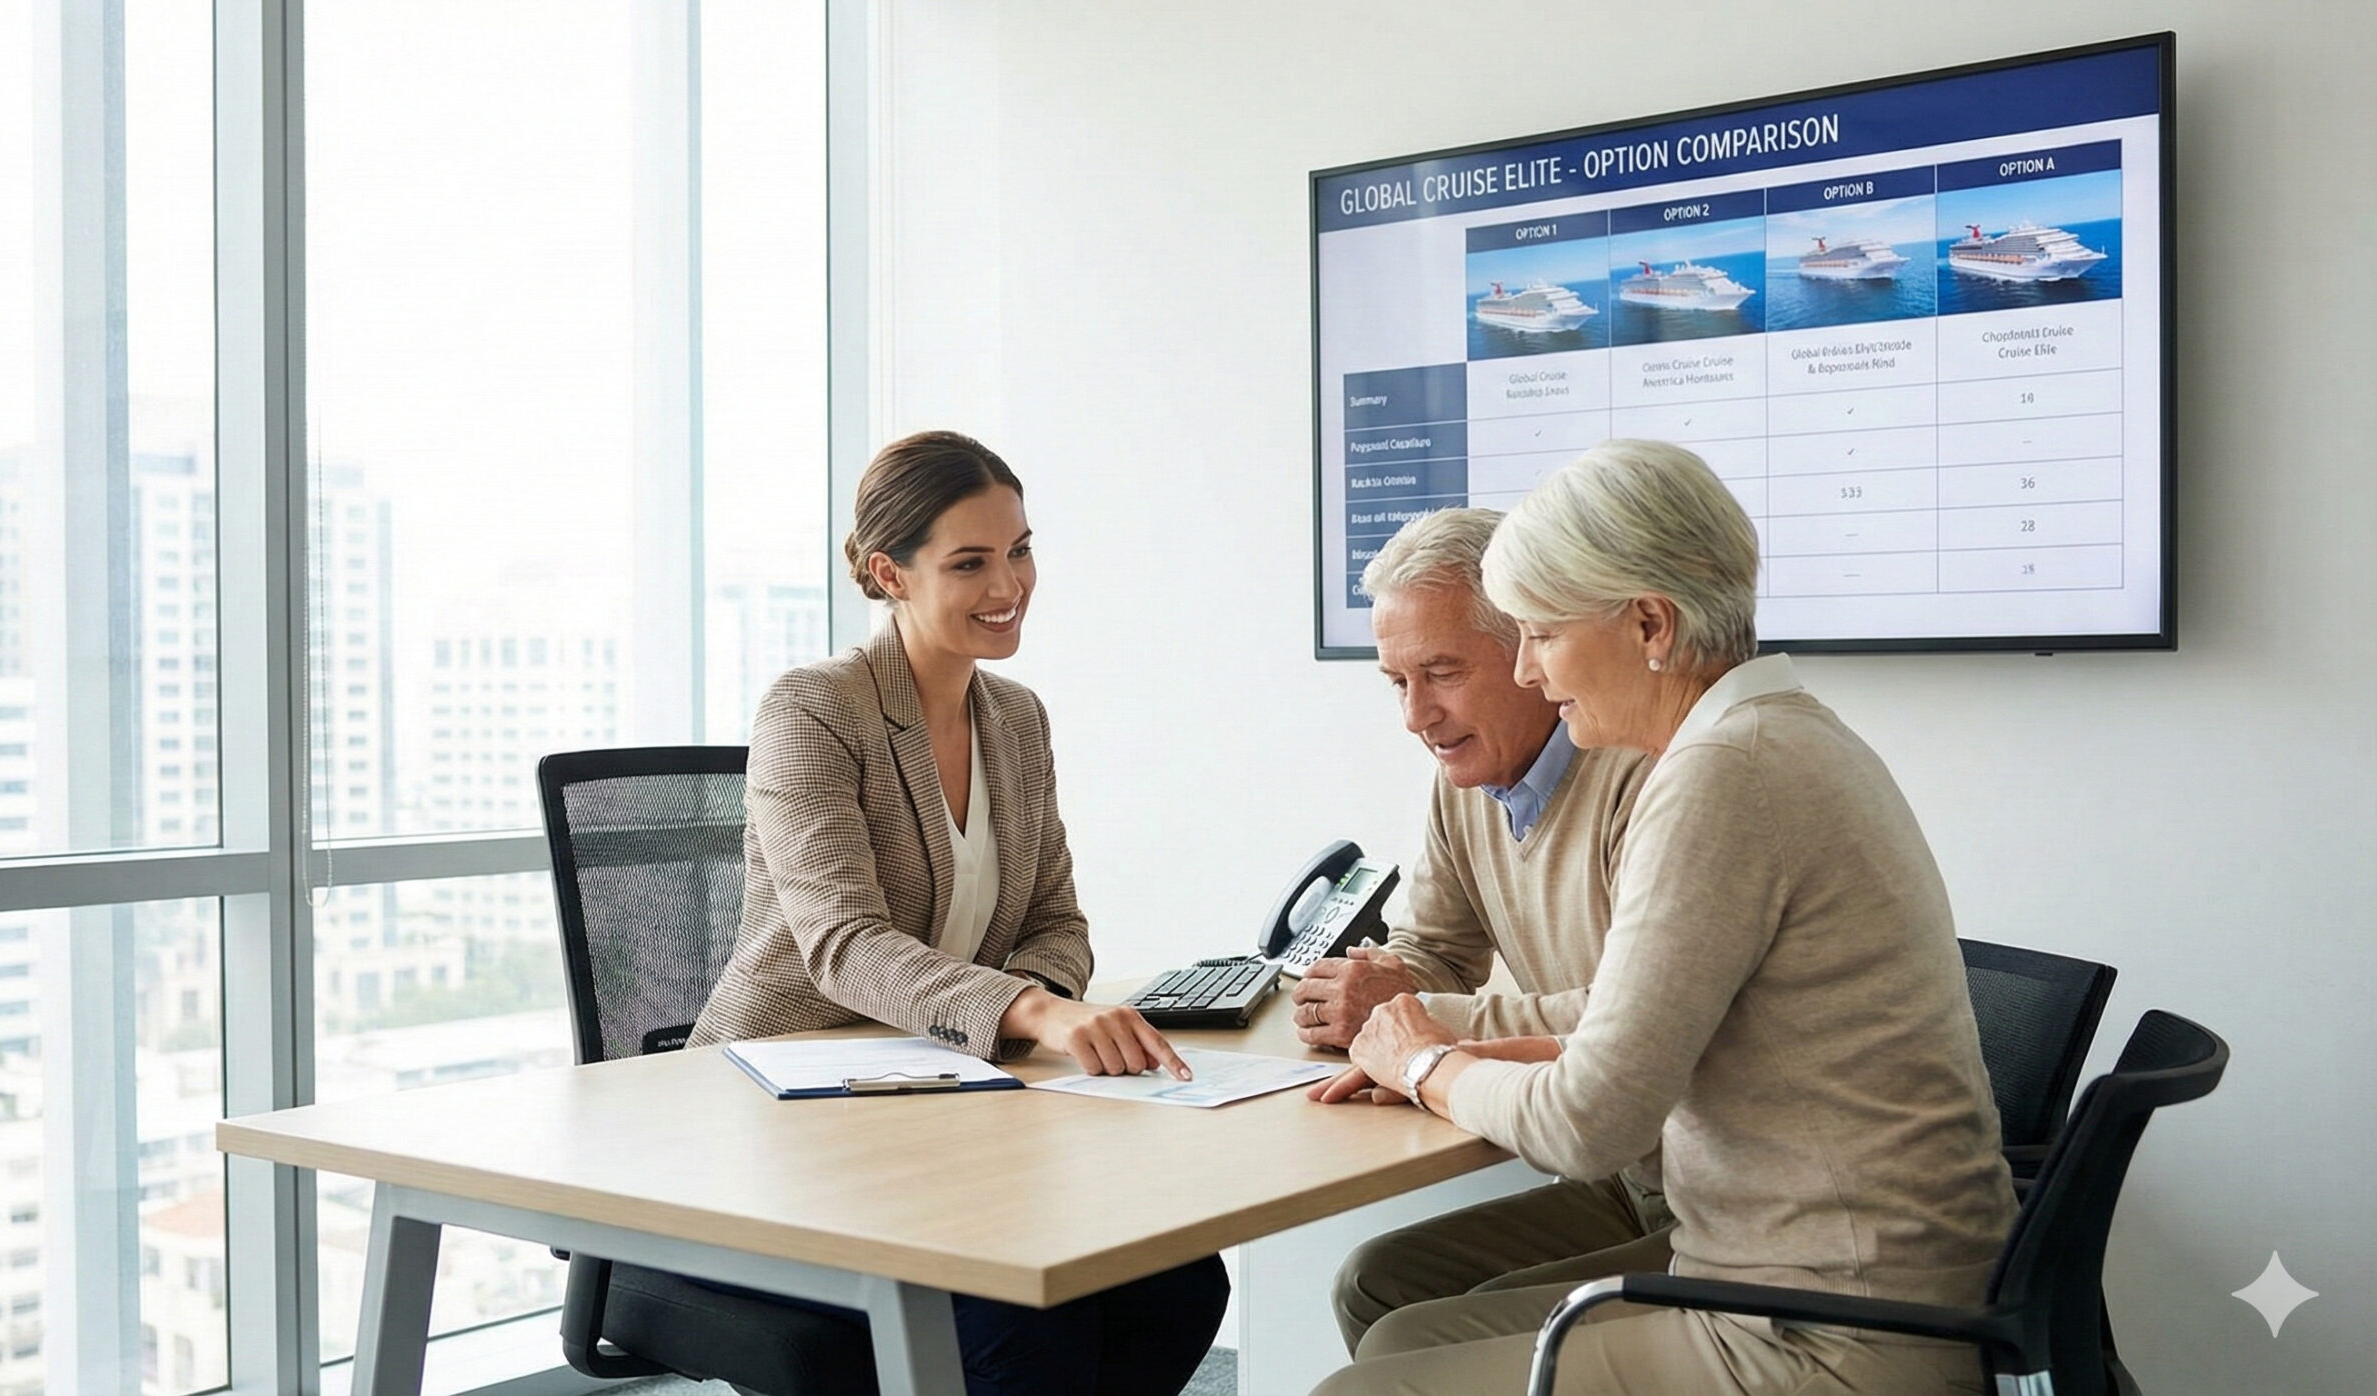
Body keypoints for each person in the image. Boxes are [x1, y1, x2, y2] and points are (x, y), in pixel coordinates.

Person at [1310, 439, 2017, 1396]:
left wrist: (1424, 1064)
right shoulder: (1773, 735)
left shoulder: (1721, 774)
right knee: (1402, 1336)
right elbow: (1633, 1042)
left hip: (1830, 1326)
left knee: (1362, 1390)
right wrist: (1446, 1045)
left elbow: (1586, 1126)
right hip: (1797, 1276)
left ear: (1649, 623)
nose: (1531, 671)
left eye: (1543, 634)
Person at [687, 430, 1227, 1396]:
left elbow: (1058, 922)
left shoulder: (1015, 718)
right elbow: (843, 944)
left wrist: (1029, 1008)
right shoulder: (814, 710)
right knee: (1025, 1327)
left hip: (946, 1107)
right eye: (970, 562)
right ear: (888, 573)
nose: (1008, 585)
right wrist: (1033, 1010)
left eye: (1020, 550)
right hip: (786, 1114)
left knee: (1176, 1282)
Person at [1284, 507, 1667, 1354]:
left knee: (1416, 1336)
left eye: (1442, 672)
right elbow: (1434, 951)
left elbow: (1628, 1016)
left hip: (1697, 1182)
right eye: (1397, 682)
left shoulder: (1645, 775)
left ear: (1530, 649)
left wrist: (1418, 1025)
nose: (1416, 715)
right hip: (1621, 1172)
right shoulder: (1464, 777)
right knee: (1373, 1283)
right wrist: (1372, 992)